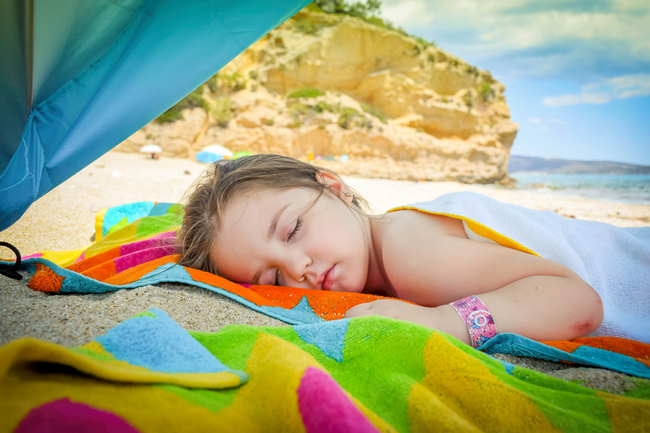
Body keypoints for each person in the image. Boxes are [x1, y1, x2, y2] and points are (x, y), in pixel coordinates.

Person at [177, 154, 646, 348]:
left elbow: (577, 302)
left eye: (294, 229)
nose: (297, 268)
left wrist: (443, 321)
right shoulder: (384, 249)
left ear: (334, 188)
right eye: (272, 279)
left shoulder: (409, 252)